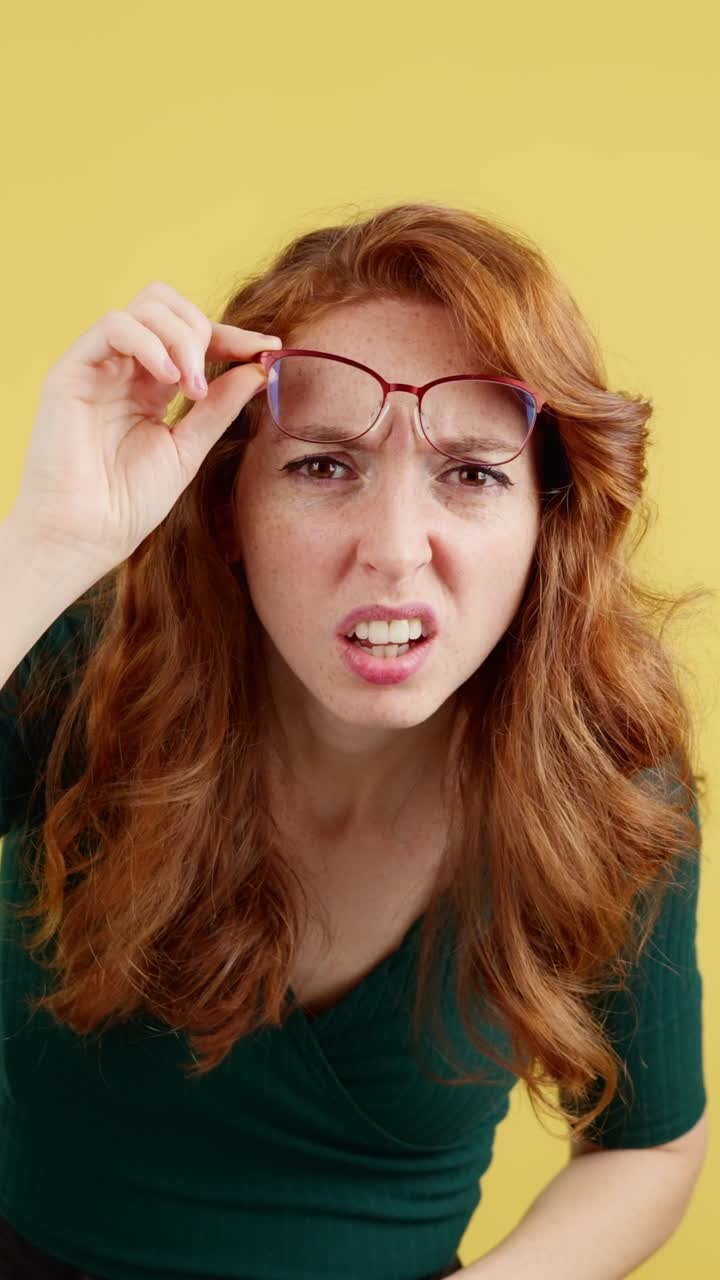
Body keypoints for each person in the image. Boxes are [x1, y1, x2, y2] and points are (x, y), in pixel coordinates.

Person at [0, 202, 707, 1280]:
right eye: (324, 465)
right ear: (227, 510)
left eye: (470, 471)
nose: (394, 549)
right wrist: (44, 548)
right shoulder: (86, 674)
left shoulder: (608, 776)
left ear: (545, 519)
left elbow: (650, 1144)